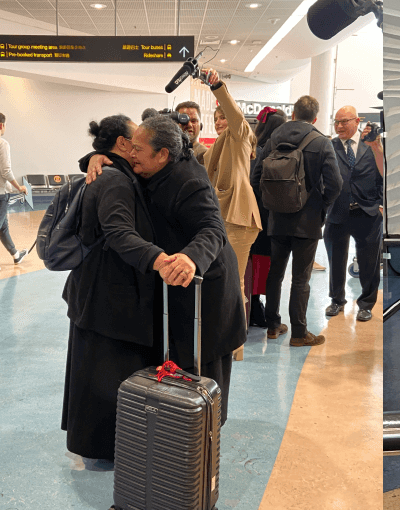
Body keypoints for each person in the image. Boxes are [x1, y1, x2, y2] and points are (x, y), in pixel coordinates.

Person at [83, 114, 246, 425]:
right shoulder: (150, 164)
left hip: (204, 285)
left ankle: (203, 437)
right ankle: (176, 432)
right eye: (128, 148)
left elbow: (213, 229)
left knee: (204, 371)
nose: (130, 154)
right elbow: (123, 155)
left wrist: (190, 257)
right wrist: (98, 155)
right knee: (177, 369)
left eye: (137, 150)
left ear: (162, 154)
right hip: (176, 283)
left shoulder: (190, 181)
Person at [62, 114, 175, 461]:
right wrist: (161, 261)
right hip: (108, 296)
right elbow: (118, 232)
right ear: (123, 145)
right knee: (106, 375)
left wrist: (91, 157)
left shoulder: (114, 173)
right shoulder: (114, 181)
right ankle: (106, 446)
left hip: (101, 294)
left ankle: (102, 442)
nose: (139, 146)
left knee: (98, 370)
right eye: (135, 141)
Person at [252, 95, 342, 345]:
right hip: (308, 222)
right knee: (301, 278)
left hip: (276, 219)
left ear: (293, 114)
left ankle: (272, 325)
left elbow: (256, 177)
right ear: (315, 118)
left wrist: (272, 202)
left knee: (275, 273)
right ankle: (299, 333)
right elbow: (336, 184)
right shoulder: (321, 142)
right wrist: (320, 206)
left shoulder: (273, 139)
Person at [202, 68, 262, 339]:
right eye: (216, 119)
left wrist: (217, 87)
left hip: (238, 215)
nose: (220, 122)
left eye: (223, 117)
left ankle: (235, 340)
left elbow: (233, 112)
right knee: (223, 278)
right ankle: (224, 333)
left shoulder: (239, 135)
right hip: (222, 216)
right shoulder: (217, 146)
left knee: (234, 280)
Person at [324, 106, 384, 322]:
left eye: (344, 122)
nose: (339, 126)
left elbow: (383, 174)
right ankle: (336, 300)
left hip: (367, 212)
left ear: (357, 121)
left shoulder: (372, 145)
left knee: (369, 262)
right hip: (337, 213)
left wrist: (380, 206)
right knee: (335, 260)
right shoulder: (329, 147)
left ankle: (366, 304)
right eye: (336, 122)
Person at [246, 107, 288, 328]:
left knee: (250, 265)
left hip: (249, 216)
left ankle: (251, 307)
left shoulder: (251, 150)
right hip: (268, 216)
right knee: (265, 268)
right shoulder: (272, 153)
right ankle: (259, 310)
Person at [0, 112, 31, 265]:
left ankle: (16, 254)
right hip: (0, 194)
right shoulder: (2, 143)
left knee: (3, 226)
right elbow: (6, 171)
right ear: (1, 125)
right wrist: (19, 187)